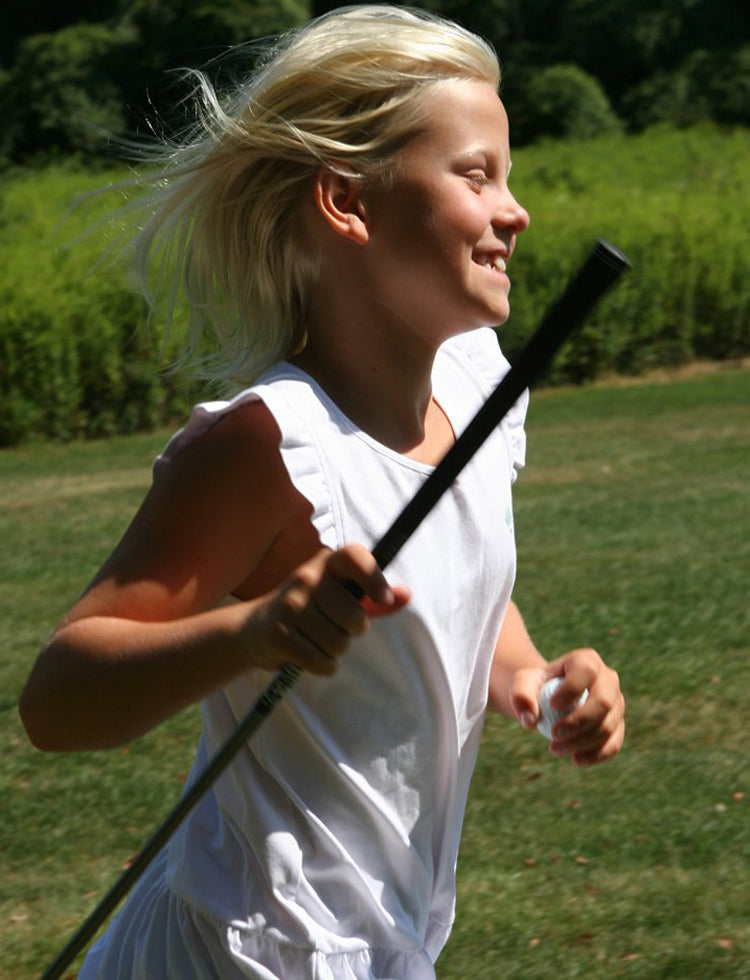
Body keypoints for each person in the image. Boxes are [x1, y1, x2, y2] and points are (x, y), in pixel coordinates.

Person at [19, 6, 626, 979]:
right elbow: (59, 698)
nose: (515, 210)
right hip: (253, 944)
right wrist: (251, 631)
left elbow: (452, 581)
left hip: (379, 932)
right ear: (347, 200)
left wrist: (535, 677)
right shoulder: (274, 444)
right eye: (476, 175)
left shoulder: (475, 382)